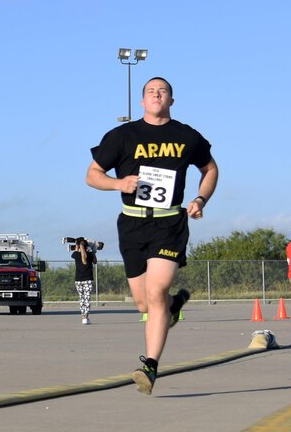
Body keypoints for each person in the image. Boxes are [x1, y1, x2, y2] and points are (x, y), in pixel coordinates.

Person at [85, 75, 218, 393]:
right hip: (132, 224)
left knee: (156, 291)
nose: (157, 95)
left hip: (169, 223)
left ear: (172, 100)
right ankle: (173, 306)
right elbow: (92, 175)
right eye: (150, 91)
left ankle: (151, 366)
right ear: (142, 101)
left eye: (163, 91)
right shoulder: (122, 135)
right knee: (144, 304)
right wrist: (119, 184)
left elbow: (210, 169)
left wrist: (200, 199)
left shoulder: (187, 136)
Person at [68, 235, 98, 324]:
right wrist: (92, 250)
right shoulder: (90, 254)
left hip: (78, 280)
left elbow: (75, 252)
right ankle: (86, 317)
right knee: (87, 299)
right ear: (86, 246)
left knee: (81, 299)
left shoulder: (76, 255)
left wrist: (77, 244)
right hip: (88, 279)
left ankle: (83, 317)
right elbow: (95, 261)